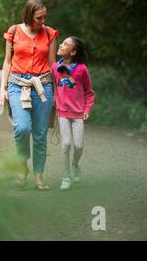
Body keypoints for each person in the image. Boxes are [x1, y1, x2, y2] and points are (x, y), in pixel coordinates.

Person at [0, 0, 59, 190]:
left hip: (43, 86)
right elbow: (8, 61)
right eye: (38, 18)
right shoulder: (14, 31)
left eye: (45, 17)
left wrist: (60, 92)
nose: (43, 21)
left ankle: (39, 176)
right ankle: (22, 165)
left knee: (40, 134)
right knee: (22, 128)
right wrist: (3, 88)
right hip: (17, 85)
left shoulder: (49, 33)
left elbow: (52, 64)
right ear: (28, 15)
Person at [51, 36, 95, 190]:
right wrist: (55, 101)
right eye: (62, 43)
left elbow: (89, 93)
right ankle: (66, 177)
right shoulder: (55, 67)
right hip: (62, 112)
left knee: (78, 145)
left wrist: (87, 109)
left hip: (77, 114)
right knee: (66, 144)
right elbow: (54, 87)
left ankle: (75, 164)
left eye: (65, 44)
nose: (61, 45)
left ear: (73, 52)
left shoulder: (82, 69)